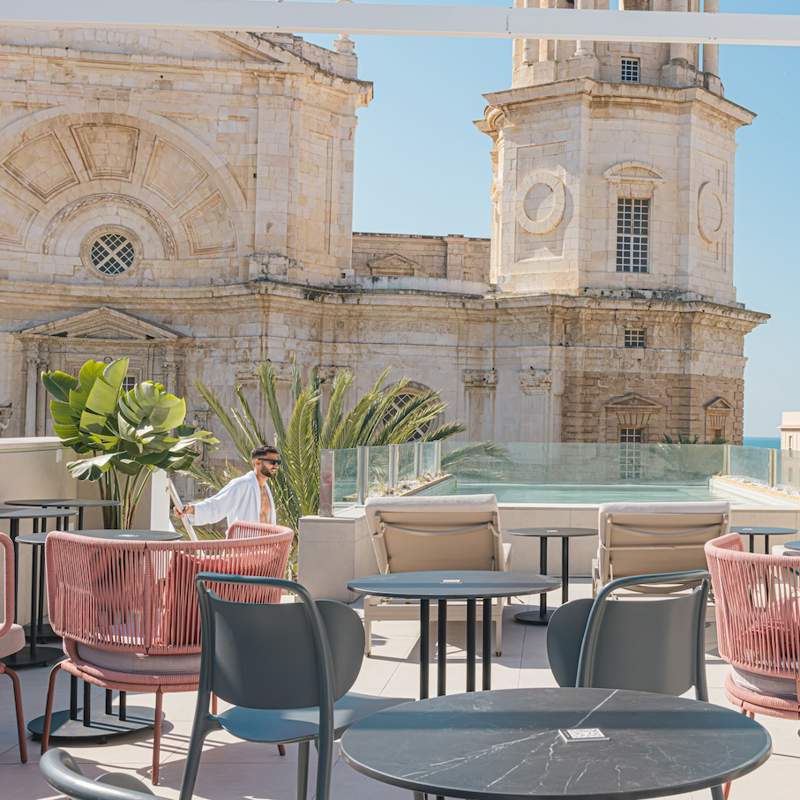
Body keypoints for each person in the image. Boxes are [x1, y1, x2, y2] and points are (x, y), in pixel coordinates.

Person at [178, 445, 281, 528]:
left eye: (278, 462)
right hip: (243, 549)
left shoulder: (266, 490)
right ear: (258, 462)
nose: (276, 466)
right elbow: (217, 505)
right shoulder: (242, 485)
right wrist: (192, 509)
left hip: (266, 550)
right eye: (272, 462)